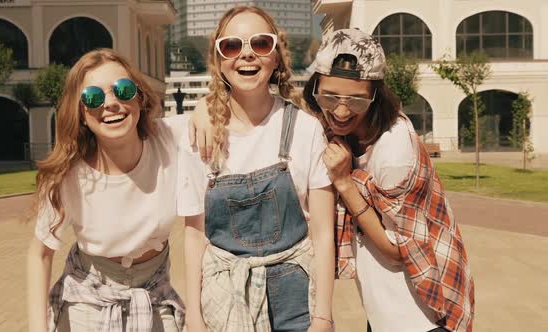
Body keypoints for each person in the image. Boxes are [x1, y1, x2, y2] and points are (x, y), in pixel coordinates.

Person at [303, 28, 475, 332]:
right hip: (386, 312)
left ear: (375, 96)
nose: (341, 111)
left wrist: (344, 183)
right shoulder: (348, 130)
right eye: (329, 96)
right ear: (316, 88)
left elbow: (398, 252)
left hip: (422, 313)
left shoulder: (393, 151)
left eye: (356, 101)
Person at [177, 6, 336, 332]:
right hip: (222, 301)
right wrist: (193, 315)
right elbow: (194, 233)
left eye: (261, 44)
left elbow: (322, 232)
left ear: (276, 57)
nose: (246, 54)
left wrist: (323, 316)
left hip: (298, 302)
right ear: (219, 60)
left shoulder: (306, 129)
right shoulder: (198, 137)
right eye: (232, 46)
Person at [26, 48, 186, 331]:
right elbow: (40, 255)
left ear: (139, 97)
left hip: (155, 294)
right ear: (81, 113)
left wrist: (205, 119)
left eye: (123, 90)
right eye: (93, 97)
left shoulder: (169, 140)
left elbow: (219, 115)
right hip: (87, 303)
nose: (110, 104)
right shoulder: (67, 176)